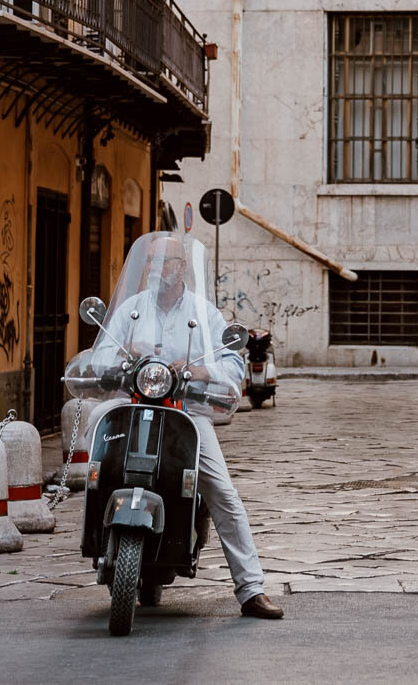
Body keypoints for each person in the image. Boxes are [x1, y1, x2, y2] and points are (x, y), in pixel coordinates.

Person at [100, 235, 284, 621]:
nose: (154, 269)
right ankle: (103, 548)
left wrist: (206, 370)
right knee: (99, 472)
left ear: (182, 267)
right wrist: (117, 356)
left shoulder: (205, 316)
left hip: (187, 412)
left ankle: (251, 589)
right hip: (134, 407)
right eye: (150, 262)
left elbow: (232, 365)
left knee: (222, 491)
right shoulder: (131, 311)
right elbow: (102, 352)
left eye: (162, 262)